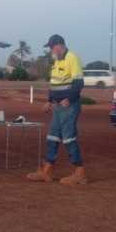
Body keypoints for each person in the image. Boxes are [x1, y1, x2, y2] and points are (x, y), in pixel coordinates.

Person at [27, 34, 87, 185]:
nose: (51, 50)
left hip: (69, 106)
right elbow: (54, 84)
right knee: (52, 137)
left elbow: (79, 82)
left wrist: (70, 98)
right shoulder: (57, 60)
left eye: (52, 47)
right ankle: (47, 171)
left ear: (59, 45)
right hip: (57, 106)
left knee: (68, 138)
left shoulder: (72, 58)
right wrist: (49, 101)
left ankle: (80, 173)